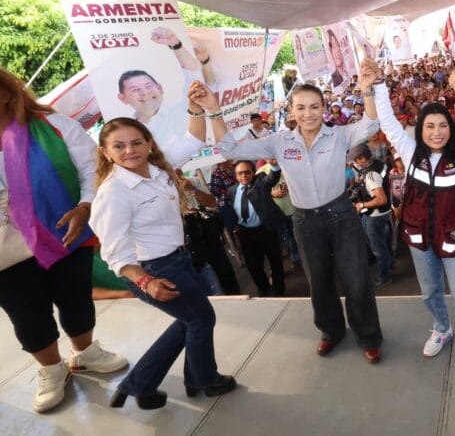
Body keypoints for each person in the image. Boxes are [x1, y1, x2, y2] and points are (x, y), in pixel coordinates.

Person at [90, 82, 236, 410]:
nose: (130, 151)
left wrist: (195, 106)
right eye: (119, 146)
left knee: (190, 321)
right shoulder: (113, 192)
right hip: (155, 270)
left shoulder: (158, 168)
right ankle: (203, 380)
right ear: (105, 152)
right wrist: (146, 282)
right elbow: (113, 251)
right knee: (200, 321)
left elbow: (195, 138)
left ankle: (141, 384)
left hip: (179, 260)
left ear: (148, 142)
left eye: (136, 142)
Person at [214, 82, 384, 361]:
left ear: (324, 108)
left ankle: (368, 336)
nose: (308, 114)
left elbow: (371, 124)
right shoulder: (278, 142)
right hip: (305, 221)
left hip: (341, 215)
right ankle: (331, 331)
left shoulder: (339, 135)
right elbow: (230, 149)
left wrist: (366, 89)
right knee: (318, 281)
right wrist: (212, 111)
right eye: (301, 107)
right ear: (291, 110)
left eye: (315, 107)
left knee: (356, 279)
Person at [0, 67, 129, 413]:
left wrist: (86, 206)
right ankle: (51, 370)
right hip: (5, 253)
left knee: (75, 301)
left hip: (63, 232)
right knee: (27, 316)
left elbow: (92, 167)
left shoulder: (53, 126)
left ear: (7, 93)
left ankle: (84, 353)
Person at [360, 58, 455, 381]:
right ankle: (441, 329)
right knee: (430, 291)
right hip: (420, 240)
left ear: (451, 127)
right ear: (420, 130)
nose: (436, 132)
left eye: (442, 125)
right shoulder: (409, 152)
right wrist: (378, 84)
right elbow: (388, 122)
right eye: (429, 126)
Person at [223, 160, 287, 297]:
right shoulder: (232, 191)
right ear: (236, 176)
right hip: (245, 234)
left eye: (247, 172)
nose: (244, 176)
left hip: (266, 230)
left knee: (275, 262)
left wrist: (274, 166)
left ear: (253, 173)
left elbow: (272, 178)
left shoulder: (261, 182)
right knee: (253, 266)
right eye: (240, 173)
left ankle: (279, 290)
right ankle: (263, 288)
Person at [349, 144, 394, 287]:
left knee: (378, 248)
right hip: (385, 212)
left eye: (356, 160)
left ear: (362, 158)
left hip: (375, 215)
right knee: (382, 241)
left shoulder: (370, 174)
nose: (354, 163)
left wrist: (361, 205)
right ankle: (389, 263)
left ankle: (384, 276)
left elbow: (381, 199)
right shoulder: (379, 163)